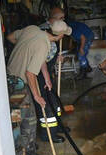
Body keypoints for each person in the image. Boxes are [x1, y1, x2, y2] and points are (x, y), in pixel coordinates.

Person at [6, 21, 71, 155]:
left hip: (9, 78)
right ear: (60, 36)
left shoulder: (32, 29)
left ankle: (24, 145)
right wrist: (37, 96)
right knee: (28, 119)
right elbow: (30, 74)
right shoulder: (44, 45)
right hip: (18, 84)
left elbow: (10, 37)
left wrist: (23, 50)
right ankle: (28, 153)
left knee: (16, 117)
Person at [37, 7, 70, 142]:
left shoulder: (54, 29)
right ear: (54, 19)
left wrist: (56, 58)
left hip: (48, 72)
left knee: (55, 102)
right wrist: (46, 78)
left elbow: (50, 54)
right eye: (62, 18)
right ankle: (48, 134)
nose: (63, 21)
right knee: (47, 102)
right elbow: (40, 60)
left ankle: (57, 126)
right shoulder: (43, 31)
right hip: (40, 73)